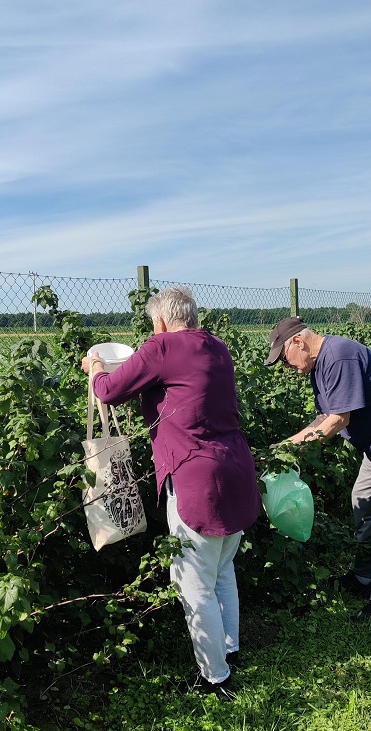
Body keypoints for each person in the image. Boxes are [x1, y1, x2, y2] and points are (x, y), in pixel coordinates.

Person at [82, 286, 261, 701]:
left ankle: (215, 677)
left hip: (197, 477)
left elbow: (107, 390)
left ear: (160, 321)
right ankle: (229, 651)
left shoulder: (161, 346)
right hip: (235, 466)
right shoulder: (217, 347)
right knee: (221, 570)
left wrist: (94, 365)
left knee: (192, 580)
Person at [265, 317, 371, 625]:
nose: (286, 368)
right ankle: (368, 574)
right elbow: (322, 419)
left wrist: (291, 450)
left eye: (284, 359)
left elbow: (338, 420)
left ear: (297, 342)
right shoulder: (322, 366)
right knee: (363, 502)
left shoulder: (339, 356)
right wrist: (282, 446)